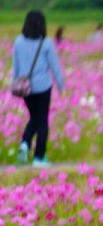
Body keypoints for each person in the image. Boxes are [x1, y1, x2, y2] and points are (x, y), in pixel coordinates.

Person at [13, 10, 66, 168]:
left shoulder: (18, 41)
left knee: (35, 117)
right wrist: (61, 86)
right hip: (43, 87)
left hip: (25, 87)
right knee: (42, 120)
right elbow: (54, 66)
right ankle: (39, 157)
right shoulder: (47, 43)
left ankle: (25, 143)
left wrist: (14, 84)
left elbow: (15, 65)